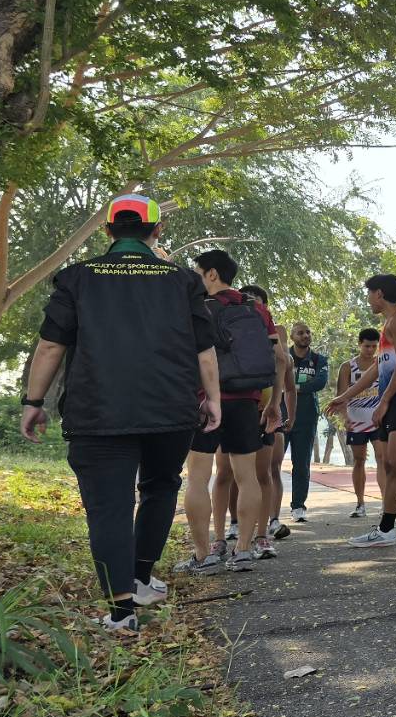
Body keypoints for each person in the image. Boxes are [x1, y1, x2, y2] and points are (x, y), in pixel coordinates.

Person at [20, 194, 223, 631]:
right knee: (160, 486)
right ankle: (142, 577)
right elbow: (204, 349)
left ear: (108, 230)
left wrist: (33, 402)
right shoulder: (182, 281)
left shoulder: (77, 278)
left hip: (98, 410)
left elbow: (51, 345)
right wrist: (213, 399)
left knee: (109, 506)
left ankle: (122, 613)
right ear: (157, 230)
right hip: (169, 408)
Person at [178, 251, 282, 575]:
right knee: (247, 476)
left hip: (205, 402)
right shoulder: (257, 309)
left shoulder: (197, 307)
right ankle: (244, 550)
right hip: (247, 402)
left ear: (211, 274)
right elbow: (280, 359)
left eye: (198, 272)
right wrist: (274, 402)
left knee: (198, 477)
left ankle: (203, 556)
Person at [328, 274, 396, 547]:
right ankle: (386, 530)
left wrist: (383, 401)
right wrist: (344, 397)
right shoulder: (388, 325)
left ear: (380, 294)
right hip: (392, 401)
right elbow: (376, 369)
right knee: (390, 465)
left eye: (369, 294)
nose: (368, 299)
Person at [241, 284, 292, 550]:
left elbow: (283, 366)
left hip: (267, 409)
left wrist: (278, 406)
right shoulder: (231, 326)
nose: (252, 304)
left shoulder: (275, 330)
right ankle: (236, 528)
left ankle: (265, 529)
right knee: (233, 473)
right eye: (247, 300)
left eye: (257, 301)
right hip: (238, 406)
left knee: (267, 470)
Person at [337, 328, 386, 517]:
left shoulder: (382, 363)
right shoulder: (347, 367)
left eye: (374, 346)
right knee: (359, 460)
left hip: (377, 419)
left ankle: (386, 503)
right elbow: (341, 396)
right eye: (367, 346)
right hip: (356, 421)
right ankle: (360, 504)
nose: (370, 350)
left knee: (382, 458)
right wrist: (345, 418)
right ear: (359, 344)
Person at [284, 322, 329, 522]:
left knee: (301, 464)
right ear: (292, 336)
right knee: (271, 464)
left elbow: (319, 382)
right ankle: (269, 510)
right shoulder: (282, 357)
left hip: (306, 417)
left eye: (308, 332)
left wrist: (292, 388)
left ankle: (298, 507)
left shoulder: (319, 359)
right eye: (300, 333)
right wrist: (294, 387)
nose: (305, 336)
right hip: (281, 416)